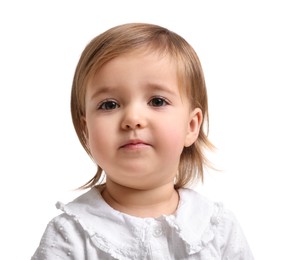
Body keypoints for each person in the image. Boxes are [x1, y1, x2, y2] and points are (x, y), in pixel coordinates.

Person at [32, 23, 254, 259]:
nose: (133, 119)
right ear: (86, 130)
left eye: (157, 101)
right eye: (109, 104)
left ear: (191, 126)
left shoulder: (216, 229)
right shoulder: (71, 234)